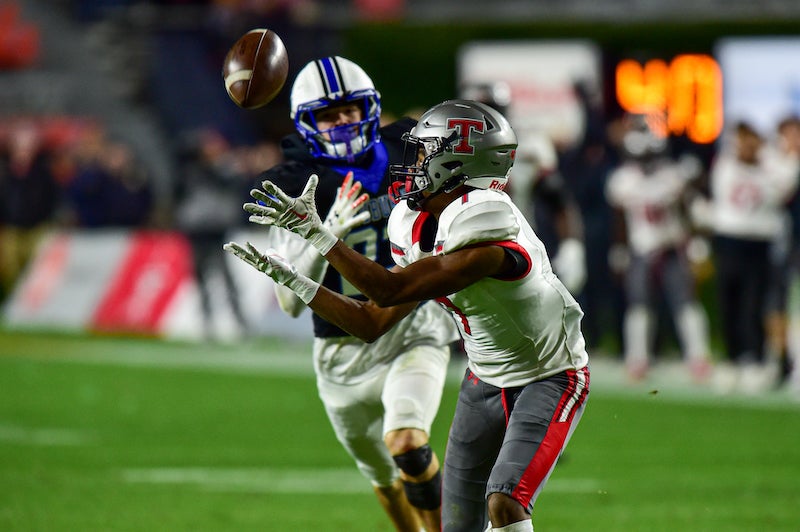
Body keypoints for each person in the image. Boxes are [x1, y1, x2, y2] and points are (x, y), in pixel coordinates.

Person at [227, 99, 590, 532]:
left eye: (423, 154)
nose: (411, 163)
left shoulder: (488, 230)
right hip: (485, 377)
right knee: (455, 526)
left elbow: (389, 288)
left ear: (456, 164)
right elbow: (370, 322)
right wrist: (299, 283)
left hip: (548, 374)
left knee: (505, 501)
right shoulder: (417, 222)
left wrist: (320, 236)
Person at [243, 56, 456, 532]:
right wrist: (325, 237)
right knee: (383, 479)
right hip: (340, 353)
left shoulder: (411, 149)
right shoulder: (294, 184)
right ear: (306, 123)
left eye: (352, 110)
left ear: (372, 108)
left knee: (408, 443)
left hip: (411, 328)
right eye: (329, 115)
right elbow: (290, 303)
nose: (344, 122)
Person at [605, 113, 713, 382]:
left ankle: (698, 358)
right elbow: (620, 216)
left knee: (685, 302)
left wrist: (696, 241)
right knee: (639, 304)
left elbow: (686, 207)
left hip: (671, 245)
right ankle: (638, 359)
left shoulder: (671, 175)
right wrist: (620, 248)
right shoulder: (624, 179)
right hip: (641, 247)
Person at [704, 121, 799, 394]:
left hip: (758, 243)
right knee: (728, 302)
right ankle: (733, 358)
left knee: (754, 303)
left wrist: (785, 156)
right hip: (730, 241)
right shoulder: (727, 165)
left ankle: (754, 359)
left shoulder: (769, 167)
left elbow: (784, 187)